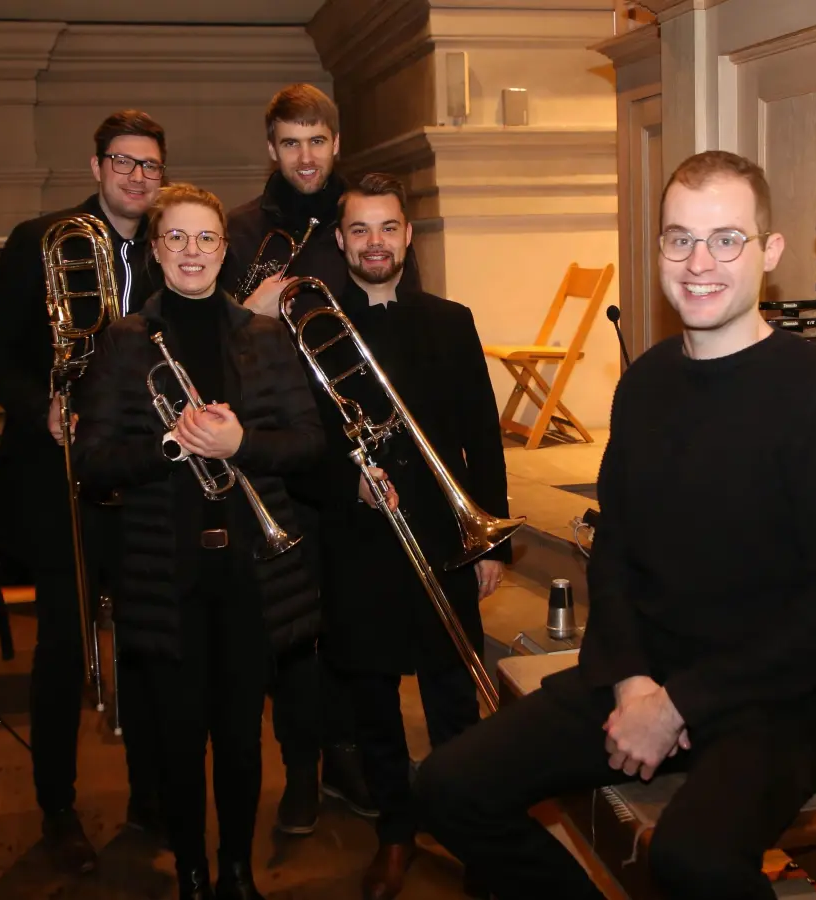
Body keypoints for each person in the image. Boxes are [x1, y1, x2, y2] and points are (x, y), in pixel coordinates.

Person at [415, 150, 816, 900]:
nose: (700, 262)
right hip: (639, 675)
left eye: (726, 238)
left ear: (770, 251)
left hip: (774, 702)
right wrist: (637, 686)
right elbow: (618, 553)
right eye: (679, 238)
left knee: (691, 862)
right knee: (445, 787)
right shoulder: (645, 384)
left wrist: (678, 706)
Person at [70, 181, 325, 900]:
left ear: (224, 248)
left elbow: (307, 446)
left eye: (205, 238)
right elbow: (91, 463)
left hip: (250, 567)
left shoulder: (267, 338)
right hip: (165, 571)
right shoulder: (124, 342)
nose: (191, 252)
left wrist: (242, 441)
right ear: (155, 251)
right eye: (175, 238)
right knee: (180, 739)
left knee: (242, 738)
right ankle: (190, 872)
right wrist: (169, 447)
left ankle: (238, 872)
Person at [292, 172, 510, 900]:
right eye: (359, 229)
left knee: (455, 702)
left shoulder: (452, 321)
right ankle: (394, 831)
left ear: (409, 237)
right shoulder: (311, 333)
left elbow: (485, 436)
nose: (374, 242)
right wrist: (342, 483)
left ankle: (464, 825)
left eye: (388, 227)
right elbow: (297, 450)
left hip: (445, 535)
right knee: (374, 704)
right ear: (340, 239)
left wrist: (492, 543)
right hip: (359, 544)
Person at [0, 109, 167, 871]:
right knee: (61, 648)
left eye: (150, 164)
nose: (136, 176)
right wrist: (38, 404)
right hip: (58, 479)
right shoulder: (39, 241)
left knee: (147, 641)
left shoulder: (169, 247)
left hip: (142, 477)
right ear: (96, 166)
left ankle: (150, 796)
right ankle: (56, 807)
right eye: (124, 162)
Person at [221, 82, 387, 835]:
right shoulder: (243, 228)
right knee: (290, 625)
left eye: (317, 140)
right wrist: (243, 314)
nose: (306, 155)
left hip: (349, 445)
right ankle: (298, 771)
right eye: (291, 142)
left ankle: (349, 756)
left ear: (336, 143)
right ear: (271, 149)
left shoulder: (360, 216)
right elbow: (207, 339)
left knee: (350, 615)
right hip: (278, 452)